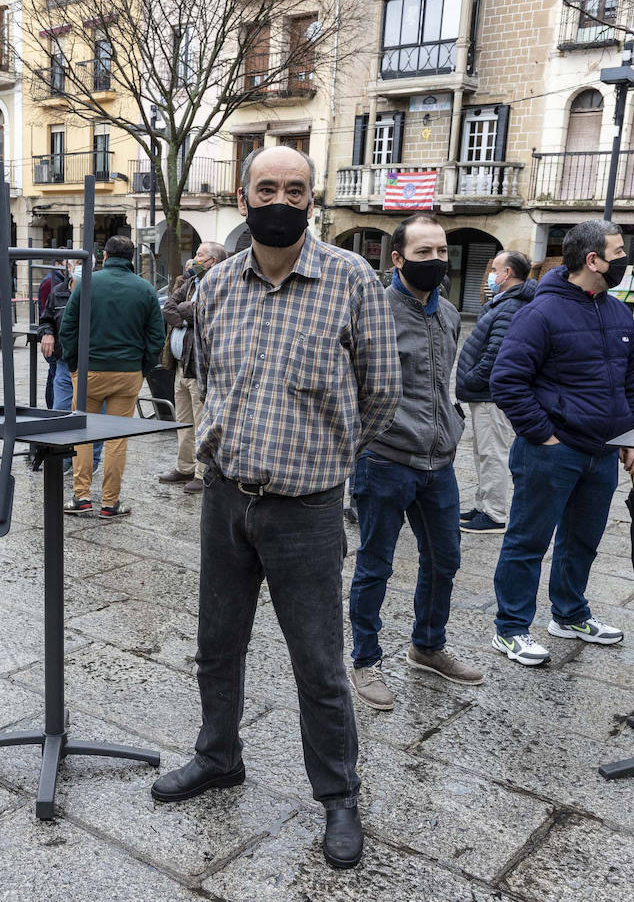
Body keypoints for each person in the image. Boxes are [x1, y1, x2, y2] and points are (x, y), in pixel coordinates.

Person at [150, 145, 400, 870]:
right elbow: (203, 373)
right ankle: (218, 756)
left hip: (308, 510)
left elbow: (382, 393)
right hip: (226, 496)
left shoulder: (352, 279)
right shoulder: (218, 284)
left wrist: (329, 455)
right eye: (268, 188)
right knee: (216, 644)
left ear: (312, 201)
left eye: (296, 190)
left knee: (319, 662)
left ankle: (339, 796)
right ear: (243, 196)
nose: (281, 201)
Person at [489, 219, 634, 667]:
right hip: (551, 452)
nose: (623, 260)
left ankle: (570, 613)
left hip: (603, 453)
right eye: (617, 252)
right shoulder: (540, 312)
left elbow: (633, 378)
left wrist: (633, 431)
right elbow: (507, 381)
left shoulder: (617, 312)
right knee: (528, 541)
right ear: (592, 260)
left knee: (583, 540)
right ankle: (512, 627)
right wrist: (546, 436)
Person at [346, 214, 482, 713]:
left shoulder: (448, 312)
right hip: (385, 459)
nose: (436, 261)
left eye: (442, 252)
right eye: (423, 253)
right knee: (376, 564)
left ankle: (427, 646)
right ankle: (365, 659)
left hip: (439, 462)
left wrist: (453, 421)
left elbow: (443, 380)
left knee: (445, 559)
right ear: (397, 258)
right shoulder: (373, 310)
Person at [59, 235, 164, 518]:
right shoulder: (145, 289)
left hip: (89, 372)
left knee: (83, 433)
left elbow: (67, 328)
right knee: (117, 439)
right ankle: (109, 503)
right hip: (128, 373)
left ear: (105, 256)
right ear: (131, 259)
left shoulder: (86, 285)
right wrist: (144, 367)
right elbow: (157, 336)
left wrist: (74, 365)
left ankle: (81, 497)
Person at [456, 250, 535, 535]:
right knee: (483, 452)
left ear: (508, 274)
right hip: (484, 393)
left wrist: (472, 378)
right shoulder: (502, 303)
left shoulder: (510, 307)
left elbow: (496, 353)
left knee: (493, 453)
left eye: (495, 269)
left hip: (491, 393)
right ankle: (483, 504)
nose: (491, 274)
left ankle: (495, 514)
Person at [158, 242, 225, 496]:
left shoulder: (218, 285)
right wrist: (187, 313)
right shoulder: (190, 283)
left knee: (200, 423)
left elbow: (205, 314)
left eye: (200, 255)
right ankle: (184, 467)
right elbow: (168, 307)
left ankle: (201, 472)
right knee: (183, 421)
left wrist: (186, 313)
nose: (195, 259)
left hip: (200, 367)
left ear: (213, 262)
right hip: (181, 366)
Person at [40, 266, 103, 469]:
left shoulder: (97, 292)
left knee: (93, 415)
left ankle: (91, 461)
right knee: (61, 409)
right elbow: (46, 319)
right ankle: (64, 458)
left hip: (92, 363)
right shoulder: (58, 292)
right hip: (64, 361)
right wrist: (47, 332)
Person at [38, 257, 68, 407]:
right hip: (58, 346)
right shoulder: (52, 283)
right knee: (54, 376)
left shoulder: (56, 281)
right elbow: (46, 314)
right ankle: (51, 410)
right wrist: (47, 333)